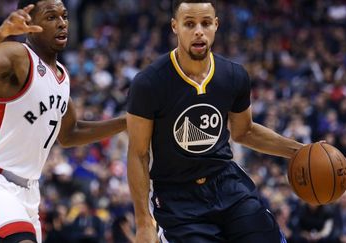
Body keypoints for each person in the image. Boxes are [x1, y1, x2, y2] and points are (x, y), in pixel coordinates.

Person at [126, 0, 304, 242]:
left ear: (216, 26)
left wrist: (300, 151)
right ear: (175, 26)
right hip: (179, 199)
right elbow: (138, 153)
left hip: (227, 184)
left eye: (206, 23)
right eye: (189, 24)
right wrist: (143, 222)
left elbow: (245, 132)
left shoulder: (233, 75)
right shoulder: (149, 83)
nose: (199, 30)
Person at [0, 1, 126, 242]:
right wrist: (1, 32)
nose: (62, 23)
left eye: (64, 16)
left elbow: (70, 133)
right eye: (51, 17)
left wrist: (127, 122)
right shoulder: (18, 56)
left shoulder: (62, 77)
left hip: (29, 194)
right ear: (30, 23)